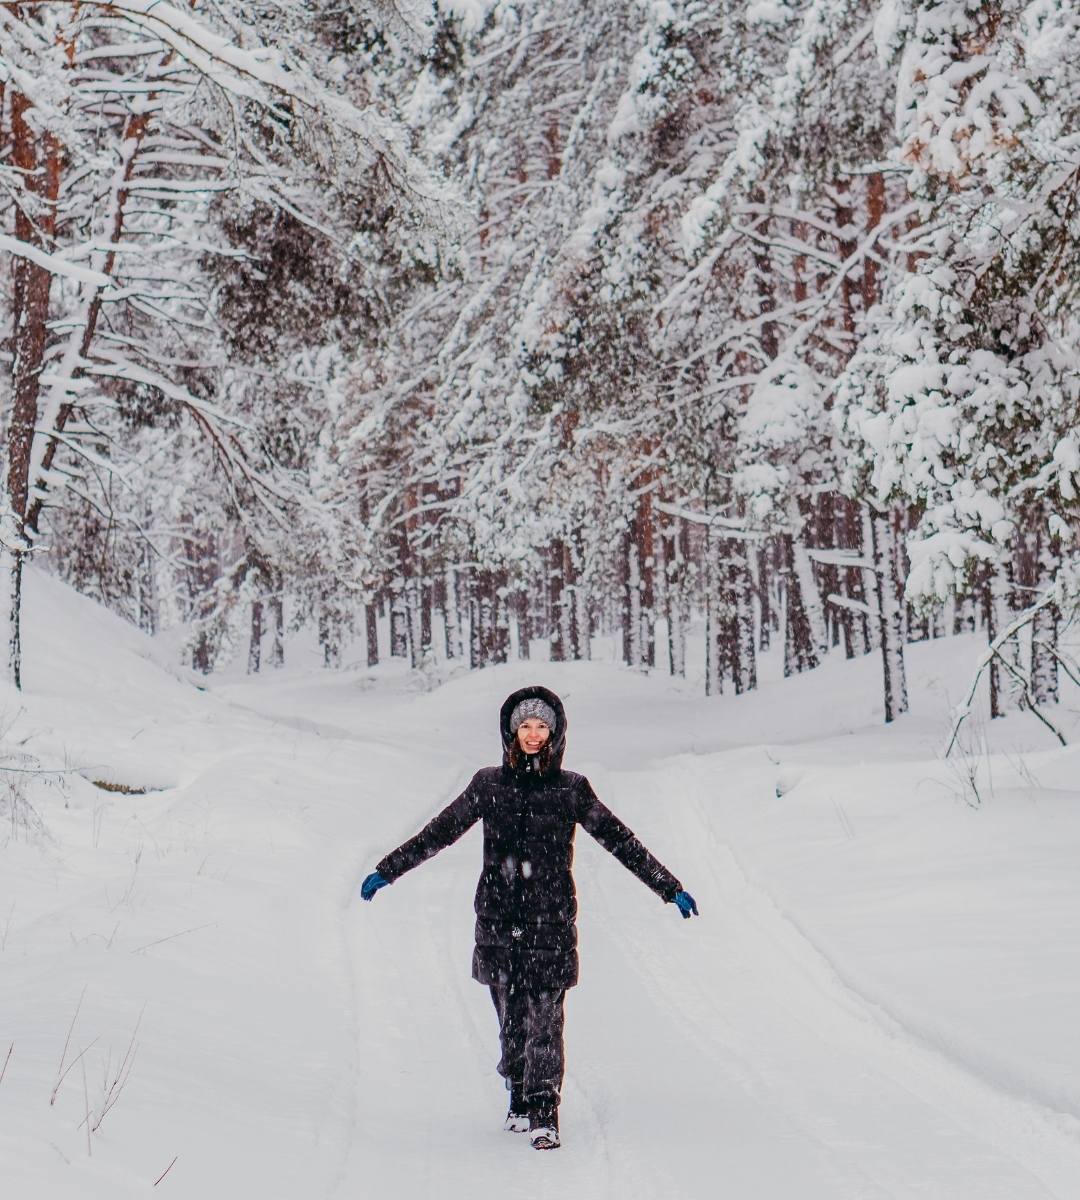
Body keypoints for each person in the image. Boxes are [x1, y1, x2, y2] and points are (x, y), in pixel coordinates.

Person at [360, 684, 698, 1151]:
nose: (534, 734)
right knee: (512, 1024)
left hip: (550, 925)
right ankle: (518, 1093)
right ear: (511, 731)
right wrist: (388, 870)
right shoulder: (488, 785)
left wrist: (669, 887)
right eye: (525, 725)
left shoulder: (571, 790)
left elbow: (620, 841)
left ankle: (544, 1112)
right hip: (499, 925)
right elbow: (439, 832)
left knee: (545, 1023)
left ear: (556, 732)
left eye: (542, 726)